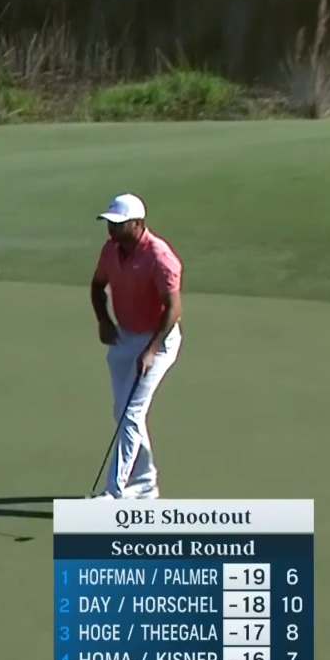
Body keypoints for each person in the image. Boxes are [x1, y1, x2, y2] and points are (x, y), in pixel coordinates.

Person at [89, 193, 184, 499]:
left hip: (159, 340)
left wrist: (153, 349)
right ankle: (145, 481)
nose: (111, 230)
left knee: (131, 412)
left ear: (138, 224)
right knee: (124, 413)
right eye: (109, 224)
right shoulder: (111, 250)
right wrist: (104, 320)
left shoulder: (160, 256)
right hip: (125, 337)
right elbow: (96, 286)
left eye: (118, 224)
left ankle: (114, 493)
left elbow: (173, 309)